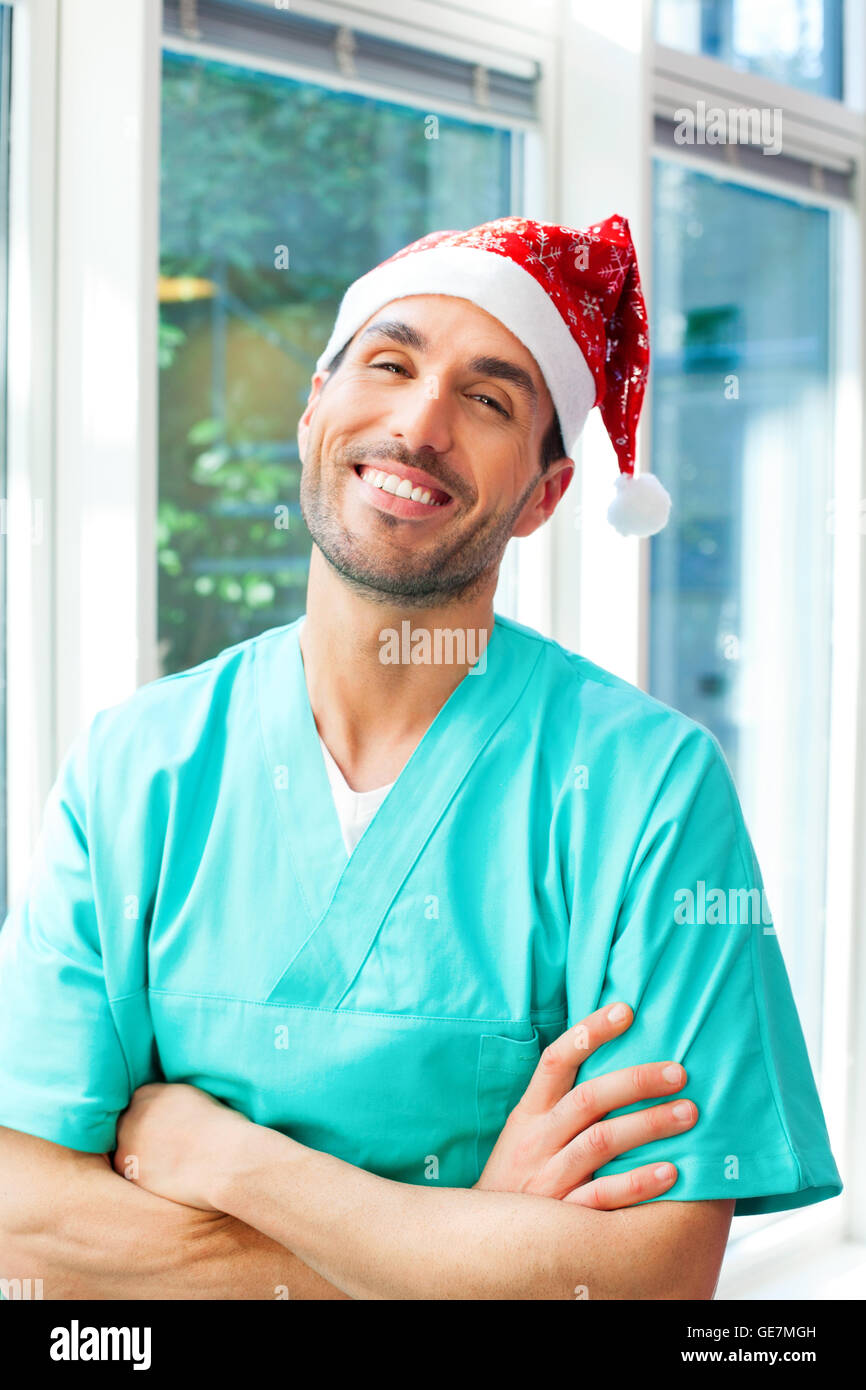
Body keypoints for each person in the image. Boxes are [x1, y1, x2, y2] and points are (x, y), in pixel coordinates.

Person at [0, 215, 842, 1300]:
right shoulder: (140, 767)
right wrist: (463, 1243)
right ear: (313, 411)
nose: (418, 422)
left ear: (543, 495)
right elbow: (23, 1210)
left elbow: (648, 1278)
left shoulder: (644, 791)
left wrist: (230, 1160)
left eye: (488, 401)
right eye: (389, 363)